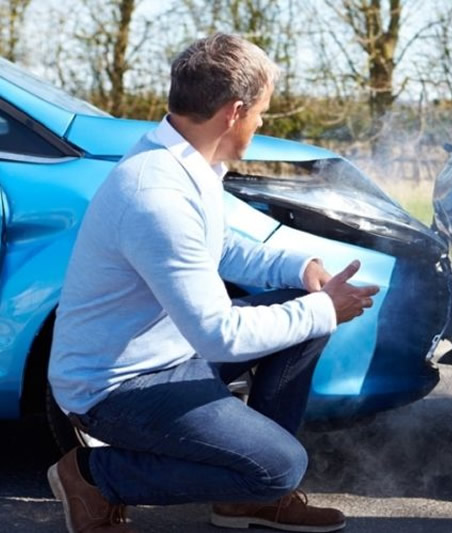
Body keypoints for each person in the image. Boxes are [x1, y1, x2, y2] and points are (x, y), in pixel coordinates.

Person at [47, 33, 379, 533]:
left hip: (171, 353)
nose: (261, 123)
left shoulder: (186, 162)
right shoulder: (155, 194)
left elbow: (215, 247)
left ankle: (249, 500)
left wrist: (300, 269)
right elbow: (218, 335)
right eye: (262, 112)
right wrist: (326, 309)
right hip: (116, 388)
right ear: (234, 112)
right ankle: (94, 476)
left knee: (303, 303)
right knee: (280, 465)